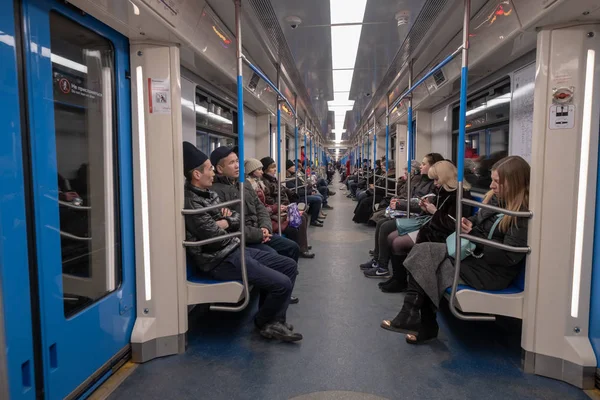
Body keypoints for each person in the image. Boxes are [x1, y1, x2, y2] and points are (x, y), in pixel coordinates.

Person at [380, 156, 530, 344]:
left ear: (514, 182)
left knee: (426, 262)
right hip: (475, 257)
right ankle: (413, 317)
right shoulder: (496, 201)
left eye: (497, 182)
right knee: (422, 252)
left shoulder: (520, 215)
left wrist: (474, 235)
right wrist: (469, 224)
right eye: (492, 180)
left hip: (490, 271)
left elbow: (509, 256)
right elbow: (478, 223)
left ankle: (420, 321)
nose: (491, 186)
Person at [182, 142, 302, 342]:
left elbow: (236, 218)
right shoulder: (194, 201)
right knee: (281, 283)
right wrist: (228, 221)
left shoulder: (209, 193)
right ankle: (265, 322)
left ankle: (275, 321)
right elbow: (215, 239)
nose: (212, 172)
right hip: (221, 259)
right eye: (210, 169)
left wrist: (226, 221)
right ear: (197, 174)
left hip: (234, 249)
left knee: (288, 266)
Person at [379, 161, 472, 293]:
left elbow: (453, 224)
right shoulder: (442, 191)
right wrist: (426, 209)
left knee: (397, 242)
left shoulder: (460, 195)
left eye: (436, 179)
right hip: (432, 227)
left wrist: (434, 211)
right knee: (390, 237)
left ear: (445, 176)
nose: (434, 183)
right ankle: (398, 277)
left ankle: (401, 281)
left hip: (443, 234)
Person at [210, 146, 300, 263]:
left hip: (259, 231)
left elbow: (259, 206)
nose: (237, 165)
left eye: (237, 161)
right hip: (243, 239)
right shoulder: (215, 192)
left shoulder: (244, 183)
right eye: (232, 163)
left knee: (293, 247)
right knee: (273, 255)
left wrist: (265, 227)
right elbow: (231, 225)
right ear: (220, 169)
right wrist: (259, 234)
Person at [362, 153, 445, 278]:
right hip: (411, 211)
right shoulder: (421, 180)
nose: (421, 167)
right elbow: (408, 195)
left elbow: (422, 205)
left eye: (424, 164)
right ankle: (378, 260)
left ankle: (382, 266)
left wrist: (400, 204)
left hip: (417, 216)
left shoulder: (433, 185)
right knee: (381, 222)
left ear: (433, 167)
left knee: (384, 226)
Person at [246, 157, 315, 259]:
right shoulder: (260, 184)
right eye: (272, 167)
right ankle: (300, 247)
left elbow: (281, 190)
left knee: (303, 215)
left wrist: (290, 195)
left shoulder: (265, 181)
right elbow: (267, 202)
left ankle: (302, 245)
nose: (275, 170)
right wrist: (279, 207)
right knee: (295, 225)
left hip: (276, 208)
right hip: (273, 211)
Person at [285, 160, 325, 227]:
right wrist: (309, 192)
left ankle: (314, 216)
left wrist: (309, 190)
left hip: (303, 194)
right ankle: (313, 220)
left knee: (319, 197)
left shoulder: (295, 176)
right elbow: (297, 192)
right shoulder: (289, 180)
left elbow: (302, 187)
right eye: (292, 166)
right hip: (298, 198)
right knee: (318, 199)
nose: (295, 167)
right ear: (288, 168)